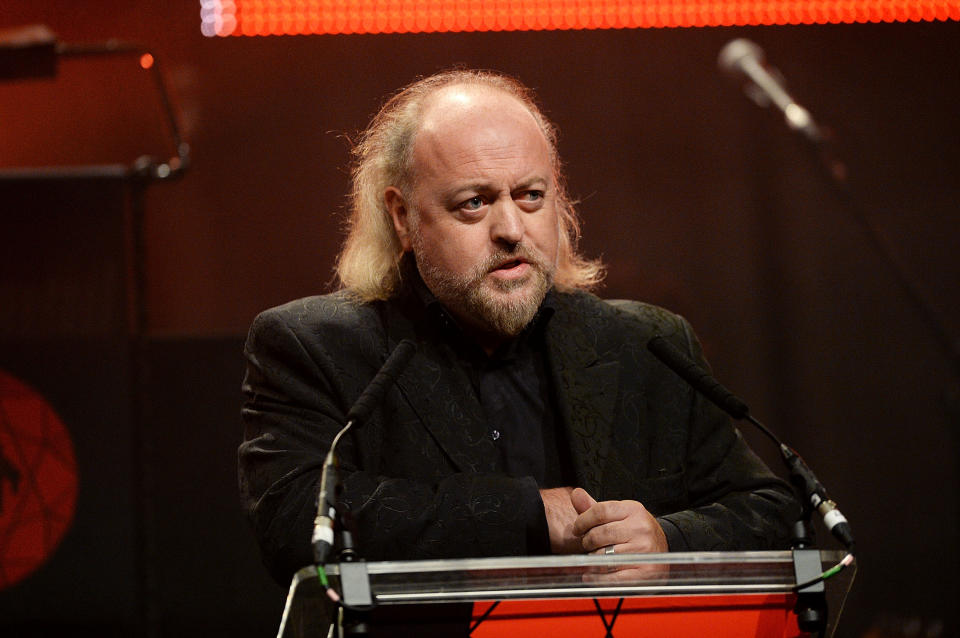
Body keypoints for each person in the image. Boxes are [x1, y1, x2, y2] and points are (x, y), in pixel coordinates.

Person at [239, 69, 797, 585]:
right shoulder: (316, 346)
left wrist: (668, 541)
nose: (511, 228)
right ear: (403, 216)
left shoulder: (648, 344)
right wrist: (526, 515)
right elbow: (296, 521)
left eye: (531, 195)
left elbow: (772, 512)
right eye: (474, 203)